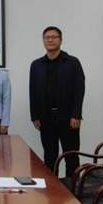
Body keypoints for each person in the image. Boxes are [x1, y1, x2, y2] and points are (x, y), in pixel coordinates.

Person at [29, 26, 85, 176]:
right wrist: (35, 116)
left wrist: (76, 114)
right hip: (46, 118)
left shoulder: (72, 62)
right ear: (43, 41)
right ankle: (52, 189)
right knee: (49, 156)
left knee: (71, 156)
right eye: (47, 37)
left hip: (68, 118)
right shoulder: (36, 65)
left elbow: (79, 90)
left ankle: (72, 187)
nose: (50, 40)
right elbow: (32, 91)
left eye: (54, 37)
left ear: (61, 40)